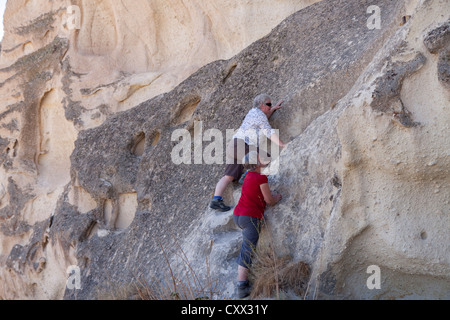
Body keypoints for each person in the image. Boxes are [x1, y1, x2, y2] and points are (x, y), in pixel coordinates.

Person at [209, 94, 286, 212]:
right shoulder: (259, 115)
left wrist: (273, 109)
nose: (270, 106)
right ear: (261, 105)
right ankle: (251, 178)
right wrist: (282, 145)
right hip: (242, 145)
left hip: (233, 146)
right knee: (265, 159)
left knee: (228, 177)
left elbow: (263, 119)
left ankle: (216, 199)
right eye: (269, 104)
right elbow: (268, 132)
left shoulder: (253, 113)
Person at [233, 151, 282, 298]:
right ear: (256, 162)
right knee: (248, 249)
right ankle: (242, 286)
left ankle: (242, 281)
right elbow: (269, 200)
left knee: (246, 247)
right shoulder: (260, 177)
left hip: (239, 215)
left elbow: (256, 195)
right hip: (249, 217)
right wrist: (276, 198)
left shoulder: (248, 176)